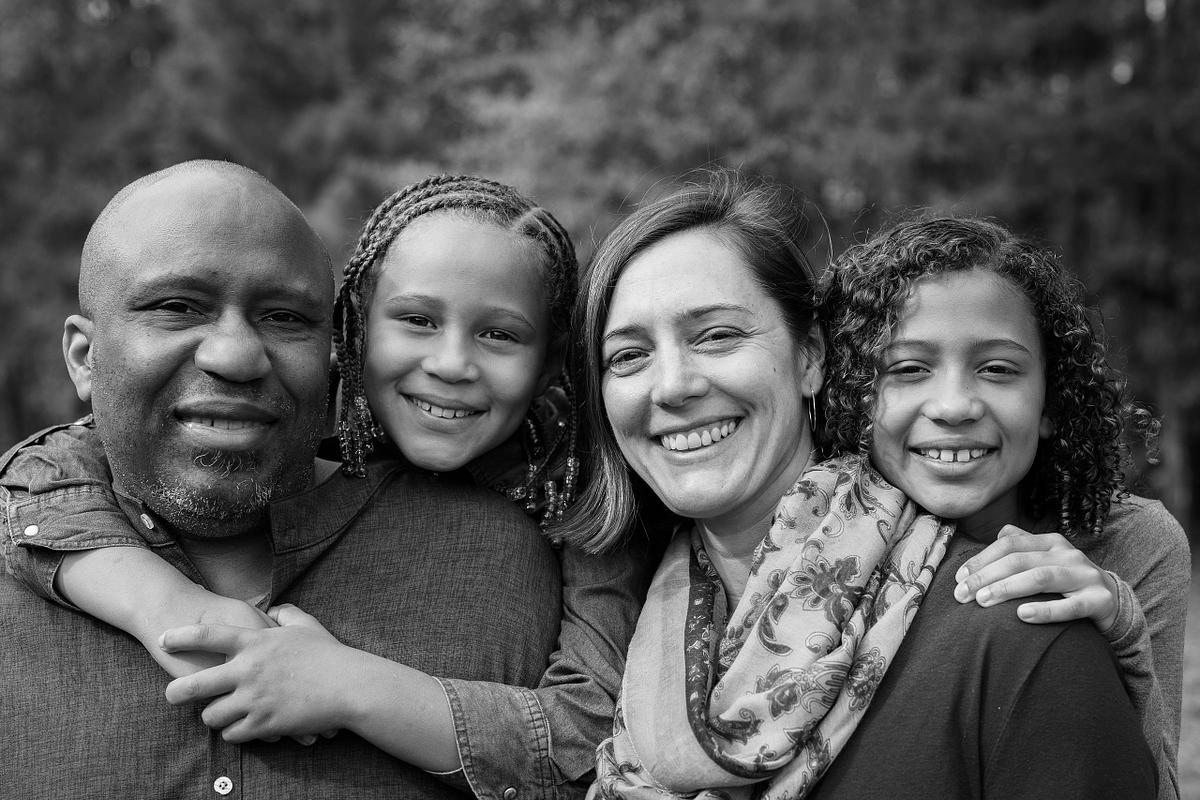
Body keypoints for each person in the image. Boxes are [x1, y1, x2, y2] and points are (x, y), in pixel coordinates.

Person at [553, 173, 1173, 798]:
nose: (672, 385)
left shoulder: (1025, 634)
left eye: (717, 334)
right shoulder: (617, 630)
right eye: (627, 355)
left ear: (811, 358)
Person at [0, 162, 566, 799]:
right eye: (177, 308)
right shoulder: (24, 527)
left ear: (334, 353)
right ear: (84, 356)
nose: (235, 356)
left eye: (285, 318)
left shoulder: (508, 561)